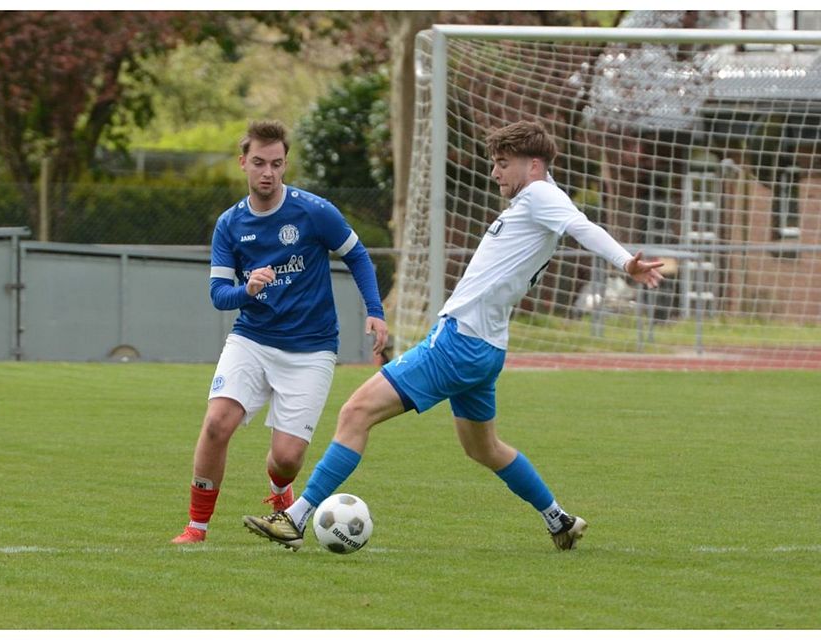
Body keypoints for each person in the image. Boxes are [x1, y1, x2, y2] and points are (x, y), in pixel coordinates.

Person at [243, 120, 664, 551]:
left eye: (503, 164)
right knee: (484, 449)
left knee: (355, 413)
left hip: (459, 343)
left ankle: (295, 517)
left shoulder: (541, 194)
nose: (495, 173)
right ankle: (559, 520)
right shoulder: (537, 202)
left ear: (533, 165)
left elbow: (583, 227)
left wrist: (625, 262)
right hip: (485, 348)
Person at [172, 120, 388, 544]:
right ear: (243, 163)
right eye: (258, 163)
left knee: (287, 459)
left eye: (276, 163)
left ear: (285, 164)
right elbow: (219, 294)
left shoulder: (314, 211)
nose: (267, 172)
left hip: (311, 349)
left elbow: (359, 256)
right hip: (251, 338)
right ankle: (196, 527)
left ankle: (279, 490)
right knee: (217, 423)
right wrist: (247, 290)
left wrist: (375, 311)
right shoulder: (229, 224)